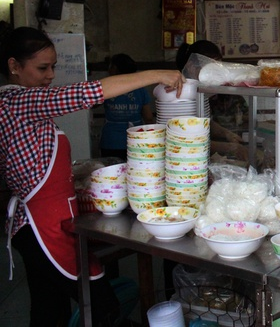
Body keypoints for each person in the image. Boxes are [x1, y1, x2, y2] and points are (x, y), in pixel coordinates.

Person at [0, 26, 185, 327]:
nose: (50, 76)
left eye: (54, 67)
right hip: (40, 228)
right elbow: (87, 93)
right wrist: (157, 74)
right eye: (42, 68)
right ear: (13, 66)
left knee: (49, 312)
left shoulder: (19, 106)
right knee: (102, 306)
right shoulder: (17, 102)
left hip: (46, 223)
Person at [175, 40, 248, 162]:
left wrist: (226, 133)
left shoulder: (200, 91)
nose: (217, 75)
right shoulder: (179, 94)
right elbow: (187, 141)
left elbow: (202, 121)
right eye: (212, 69)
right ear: (192, 67)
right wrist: (231, 148)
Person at [99, 53, 153, 159]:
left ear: (114, 68)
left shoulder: (107, 88)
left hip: (111, 141)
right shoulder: (140, 88)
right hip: (136, 139)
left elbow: (92, 105)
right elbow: (149, 118)